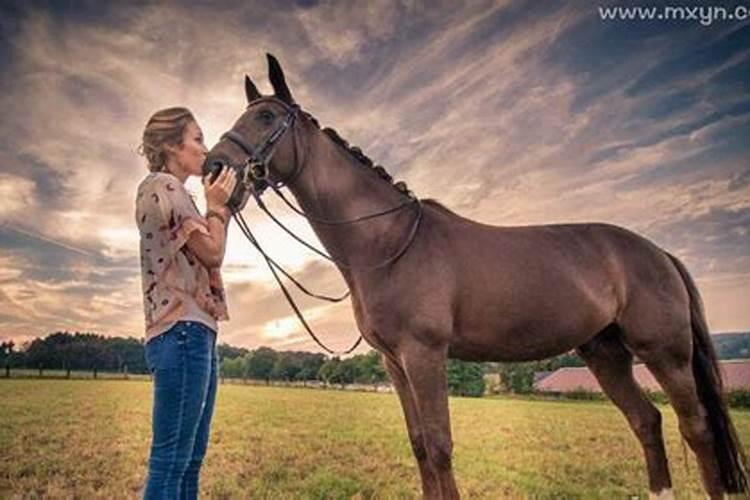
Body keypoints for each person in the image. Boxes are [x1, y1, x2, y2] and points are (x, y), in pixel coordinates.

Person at [135, 107, 237, 499]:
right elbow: (212, 252)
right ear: (170, 146)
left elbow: (208, 251)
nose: (204, 148)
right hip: (181, 333)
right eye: (197, 139)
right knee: (169, 464)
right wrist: (216, 207)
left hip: (196, 334)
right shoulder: (162, 185)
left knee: (189, 462)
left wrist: (215, 208)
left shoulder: (178, 194)